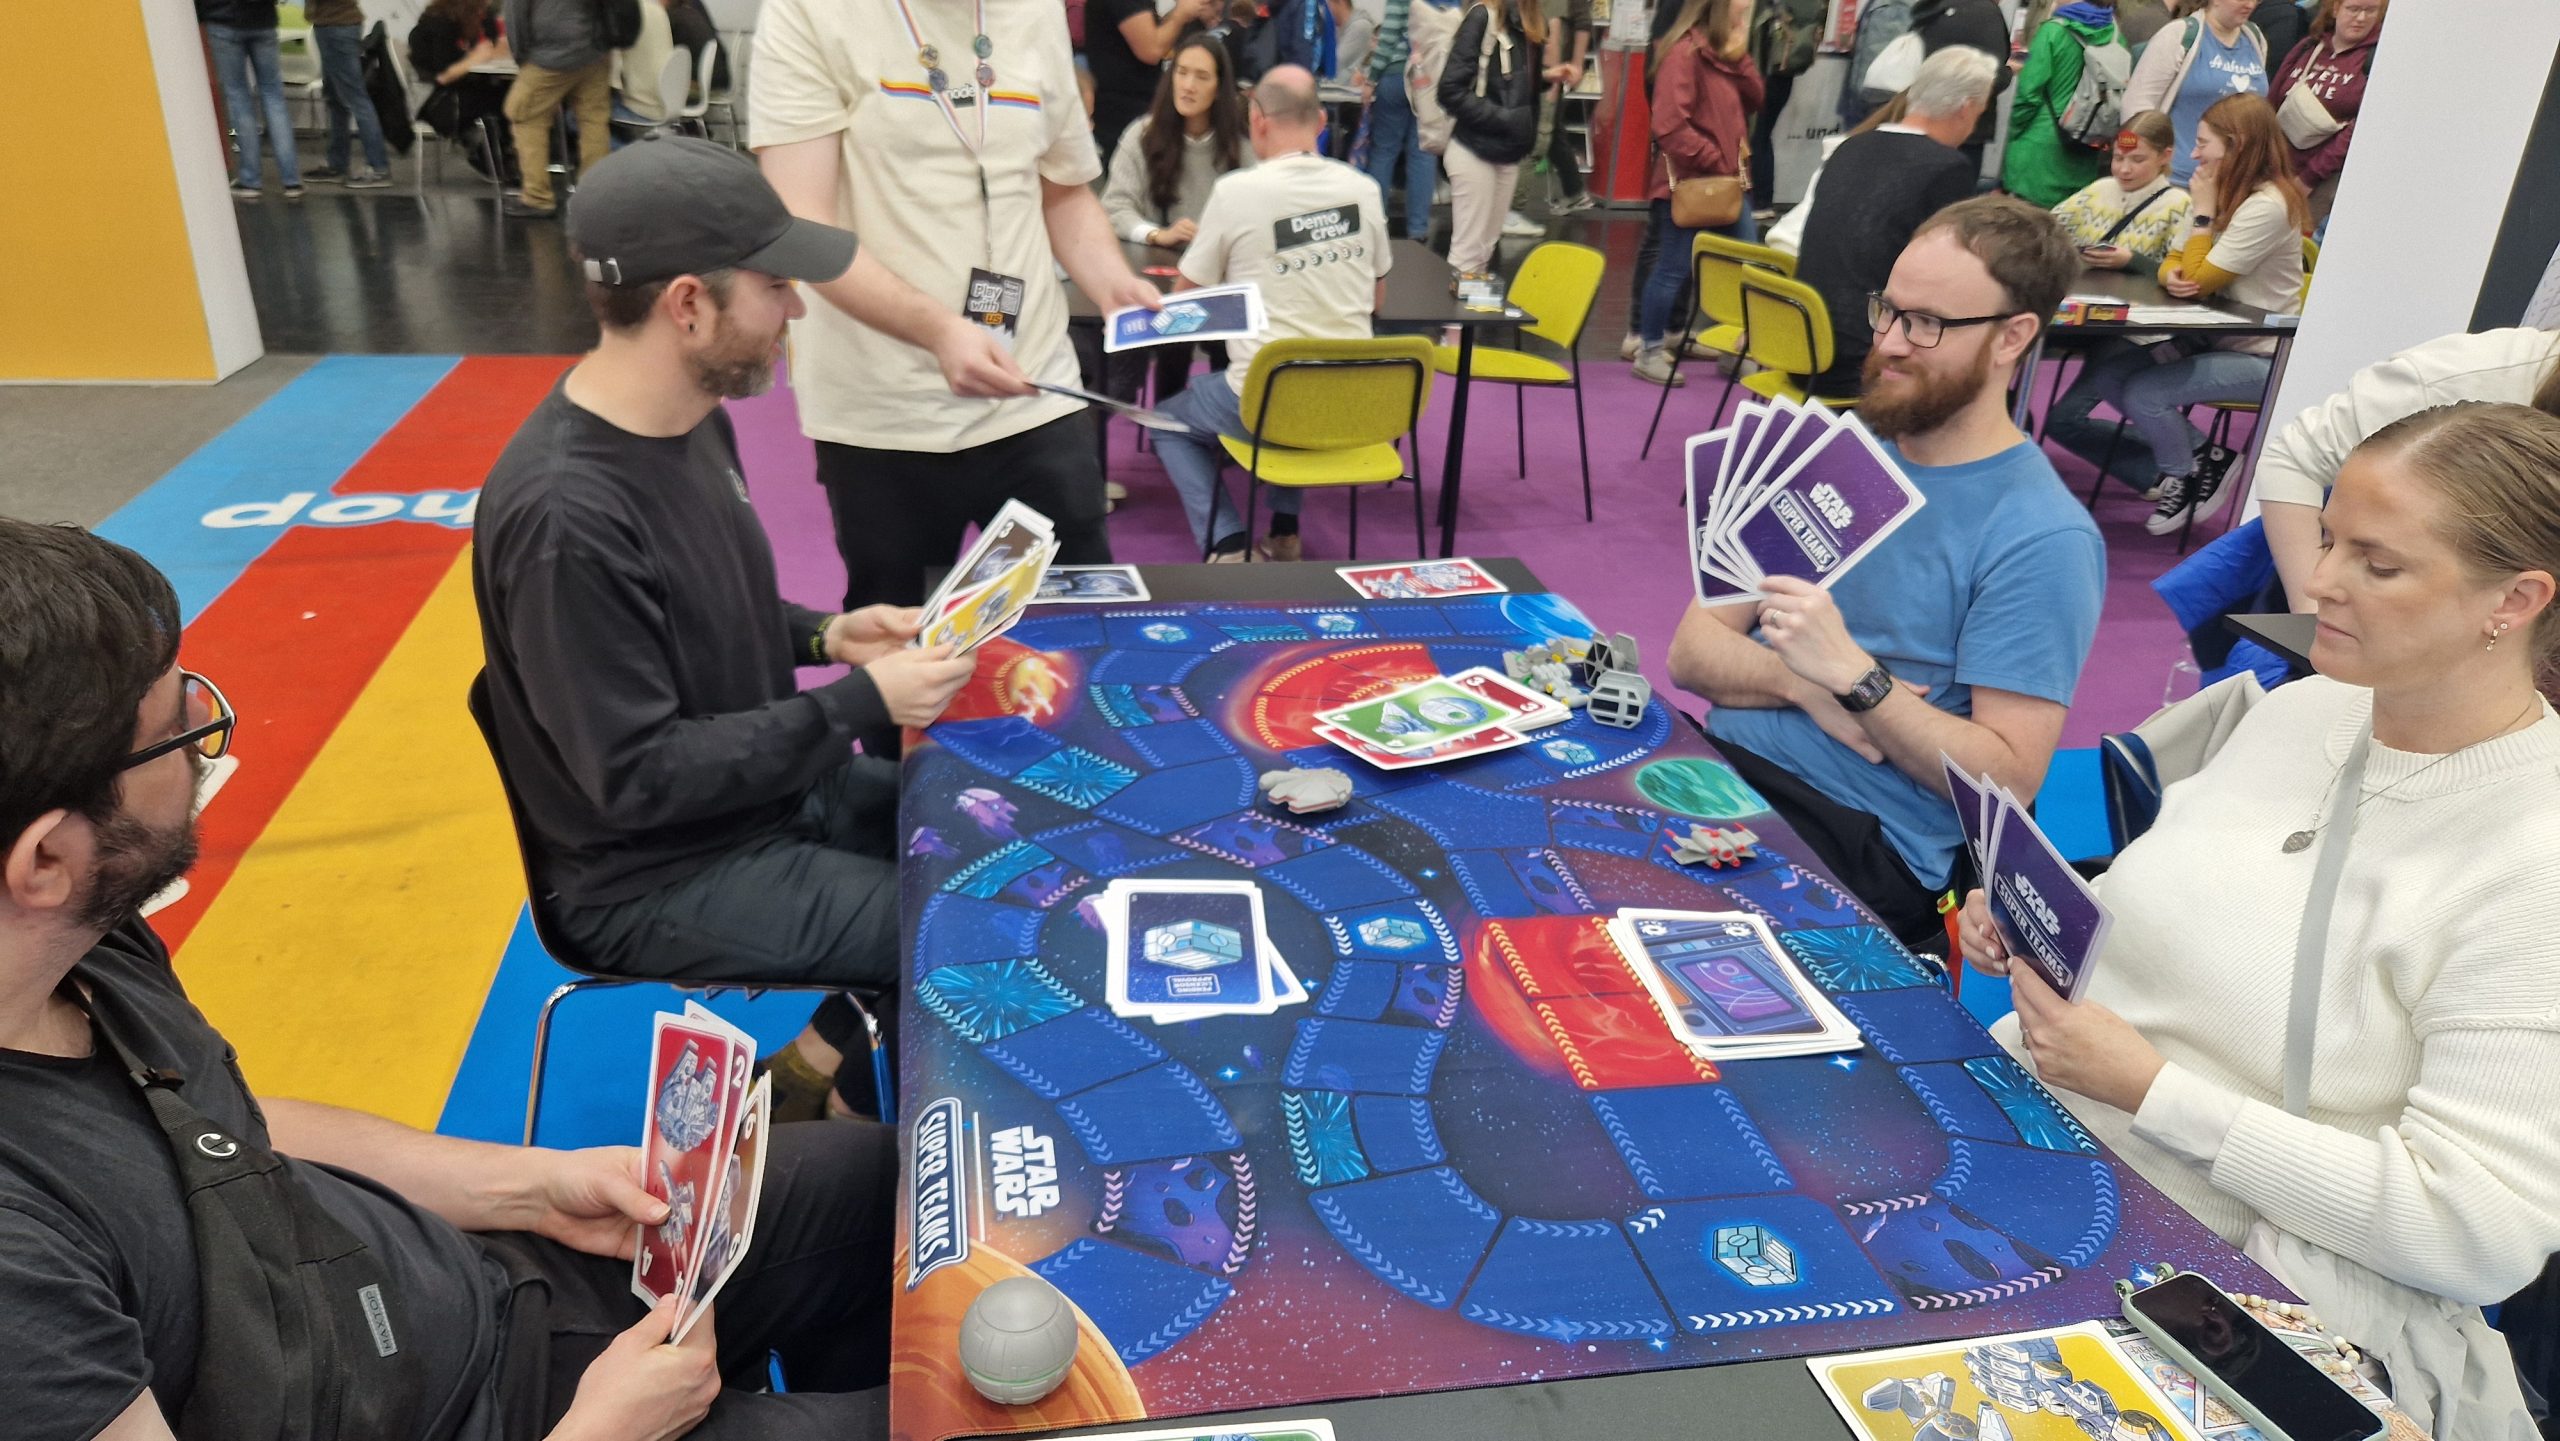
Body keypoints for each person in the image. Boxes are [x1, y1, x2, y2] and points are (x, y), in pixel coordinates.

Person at [0, 516, 908, 1441]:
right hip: (519, 1420)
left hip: (481, 1285)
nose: (204, 743)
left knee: (886, 1185)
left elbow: (222, 1119)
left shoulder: (78, 940)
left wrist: (527, 1185)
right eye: (173, 731)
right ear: (47, 860)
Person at [1960, 403, 2560, 1441]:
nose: (2317, 581)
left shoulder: (2531, 860)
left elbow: (2474, 1232)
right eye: (2328, 540)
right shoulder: (2300, 710)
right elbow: (2182, 919)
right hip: (2046, 1155)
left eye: (2377, 563)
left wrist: (2153, 1091)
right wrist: (2041, 923)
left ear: (2514, 599)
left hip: (2215, 1279)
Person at [472, 139, 976, 1120]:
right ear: (689, 305)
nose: (796, 311)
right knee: (961, 930)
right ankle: (854, 1153)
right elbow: (638, 775)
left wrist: (830, 636)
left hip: (761, 797)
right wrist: (860, 704)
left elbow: (695, 612)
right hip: (656, 871)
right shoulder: (567, 519)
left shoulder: (691, 415)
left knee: (987, 827)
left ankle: (813, 1073)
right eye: (776, 287)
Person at [1669, 196, 2103, 945]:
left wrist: (1859, 681)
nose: (1892, 343)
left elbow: (2009, 782)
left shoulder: (2041, 534)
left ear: (2012, 337)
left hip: (1858, 844)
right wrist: (1807, 685)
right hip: (1720, 772)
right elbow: (1691, 653)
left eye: (1927, 323)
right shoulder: (1834, 457)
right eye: (1889, 311)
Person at [752, 0, 1163, 611]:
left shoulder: (1033, 11)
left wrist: (1111, 283)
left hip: (1035, 390)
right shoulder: (809, 12)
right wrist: (938, 329)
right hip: (883, 412)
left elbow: (1063, 189)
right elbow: (802, 227)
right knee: (903, 640)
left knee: (1079, 627)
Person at [1145, 66, 1393, 561]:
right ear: (1320, 121)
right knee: (1302, 363)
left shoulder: (1236, 191)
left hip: (1265, 401)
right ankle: (1284, 531)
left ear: (1257, 120)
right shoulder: (1364, 189)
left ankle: (1227, 541)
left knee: (1166, 421)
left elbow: (1186, 297)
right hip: (1355, 400)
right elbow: (1376, 300)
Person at [2043, 93, 2304, 535]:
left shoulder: (2266, 205)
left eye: (2202, 143)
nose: (2194, 154)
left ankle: (2183, 472)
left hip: (2264, 355)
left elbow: (2197, 278)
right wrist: (2178, 270)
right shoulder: (2224, 191)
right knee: (2108, 374)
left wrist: (2201, 216)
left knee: (2146, 393)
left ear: (2236, 144)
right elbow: (2174, 265)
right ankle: (2207, 457)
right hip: (2208, 338)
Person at [2254, 329, 2560, 611]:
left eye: (2381, 567)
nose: (2317, 585)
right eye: (2380, 566)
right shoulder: (2462, 375)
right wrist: (2312, 613)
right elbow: (2293, 460)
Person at [1790, 45, 1996, 398]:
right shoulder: (1946, 168)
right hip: (1867, 359)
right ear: (1966, 109)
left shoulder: (1849, 148)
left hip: (1797, 344)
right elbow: (1949, 274)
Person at [1101, 33, 1255, 410]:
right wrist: (1156, 233)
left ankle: (1222, 422)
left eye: (1201, 76)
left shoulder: (1243, 143)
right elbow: (1114, 206)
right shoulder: (1142, 134)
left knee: (1230, 341)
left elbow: (1260, 211)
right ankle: (1166, 424)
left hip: (1224, 280)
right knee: (1171, 338)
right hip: (1161, 280)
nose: (1188, 85)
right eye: (1181, 73)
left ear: (1220, 86)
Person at [1630, 0, 1761, 387]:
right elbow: (1669, 125)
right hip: (1691, 185)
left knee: (1748, 267)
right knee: (1672, 268)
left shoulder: (1721, 52)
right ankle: (1649, 350)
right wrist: (1717, 160)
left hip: (1723, 183)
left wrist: (1741, 58)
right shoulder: (1684, 52)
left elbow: (1756, 98)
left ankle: (1737, 348)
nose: (1747, 5)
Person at [1437, 0, 1545, 278]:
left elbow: (1507, 83)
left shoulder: (1525, 22)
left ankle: (1464, 306)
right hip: (1475, 148)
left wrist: (1543, 80)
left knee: (1483, 252)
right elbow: (1449, 90)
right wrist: (1507, 119)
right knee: (1469, 253)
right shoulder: (1484, 17)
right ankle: (1455, 308)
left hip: (1505, 151)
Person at [2121, 0, 2266, 186]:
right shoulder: (2179, 34)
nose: (2250, 5)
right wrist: (2137, 164)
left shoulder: (2255, 38)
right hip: (2177, 180)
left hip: (2233, 184)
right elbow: (2136, 105)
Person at [2268, 0, 2381, 229]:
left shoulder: (2375, 60)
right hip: (2274, 170)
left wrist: (2309, 177)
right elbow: (2271, 103)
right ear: (2336, 8)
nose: (2361, 18)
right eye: (2354, 9)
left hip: (2321, 183)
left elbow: (2358, 128)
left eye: (2370, 11)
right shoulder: (2308, 47)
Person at [2000, 0, 2123, 208]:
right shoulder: (2116, 36)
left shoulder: (2053, 31)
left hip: (2036, 155)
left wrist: (2010, 134)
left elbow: (2028, 95)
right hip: (2085, 149)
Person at [501, 0, 612, 217]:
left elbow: (515, 13)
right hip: (594, 52)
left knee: (524, 115)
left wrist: (522, 56)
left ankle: (537, 197)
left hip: (551, 55)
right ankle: (596, 195)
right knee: (594, 121)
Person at [2048, 109, 2191, 274]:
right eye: (2118, 158)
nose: (2124, 169)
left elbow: (2183, 275)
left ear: (2165, 156)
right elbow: (2046, 231)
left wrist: (2133, 261)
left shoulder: (2179, 205)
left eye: (2138, 159)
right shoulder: (2098, 189)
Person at [1362, 0, 1455, 240]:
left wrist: (1371, 79)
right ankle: (1418, 229)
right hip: (1429, 79)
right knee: (1423, 154)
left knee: (1384, 152)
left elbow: (1388, 36)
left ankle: (1376, 225)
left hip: (1396, 76)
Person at [1089, 0, 1224, 162]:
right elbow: (1152, 50)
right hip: (1125, 110)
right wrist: (1181, 13)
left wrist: (1183, 12)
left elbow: (1155, 32)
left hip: (1136, 103)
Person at [198, 0, 305, 200]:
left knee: (238, 98)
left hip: (222, 21)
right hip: (263, 20)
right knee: (274, 97)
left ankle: (250, 180)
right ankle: (291, 180)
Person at [410, 0, 516, 179]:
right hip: (438, 102)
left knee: (508, 92)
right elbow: (444, 73)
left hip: (457, 90)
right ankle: (491, 155)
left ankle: (500, 154)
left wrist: (493, 44)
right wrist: (476, 57)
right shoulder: (438, 23)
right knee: (505, 98)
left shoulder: (473, 18)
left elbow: (492, 43)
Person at [303, 0, 395, 186]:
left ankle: (378, 168)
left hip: (338, 26)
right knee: (336, 99)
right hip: (331, 25)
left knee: (356, 99)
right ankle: (337, 163)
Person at [1911, 0, 2011, 168]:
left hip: (1922, 113)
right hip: (1961, 125)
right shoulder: (1985, 13)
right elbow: (1989, 77)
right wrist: (2008, 72)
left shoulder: (1935, 7)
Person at [610, 0, 678, 131]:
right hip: (663, 102)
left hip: (640, 107)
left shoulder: (624, 11)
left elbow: (612, 75)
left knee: (578, 114)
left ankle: (625, 144)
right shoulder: (657, 9)